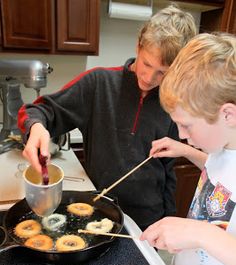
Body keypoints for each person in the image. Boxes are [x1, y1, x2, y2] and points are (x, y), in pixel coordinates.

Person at [18, 5, 197, 230]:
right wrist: (36, 127)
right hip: (98, 213)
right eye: (147, 64)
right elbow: (38, 111)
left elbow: (168, 169)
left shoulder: (173, 103)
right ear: (138, 47)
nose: (150, 77)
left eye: (163, 72)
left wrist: (169, 218)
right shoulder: (98, 83)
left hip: (148, 220)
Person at [141, 32, 236, 265]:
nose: (182, 133)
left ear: (228, 114)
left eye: (188, 126)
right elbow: (223, 179)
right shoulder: (224, 143)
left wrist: (201, 233)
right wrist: (188, 151)